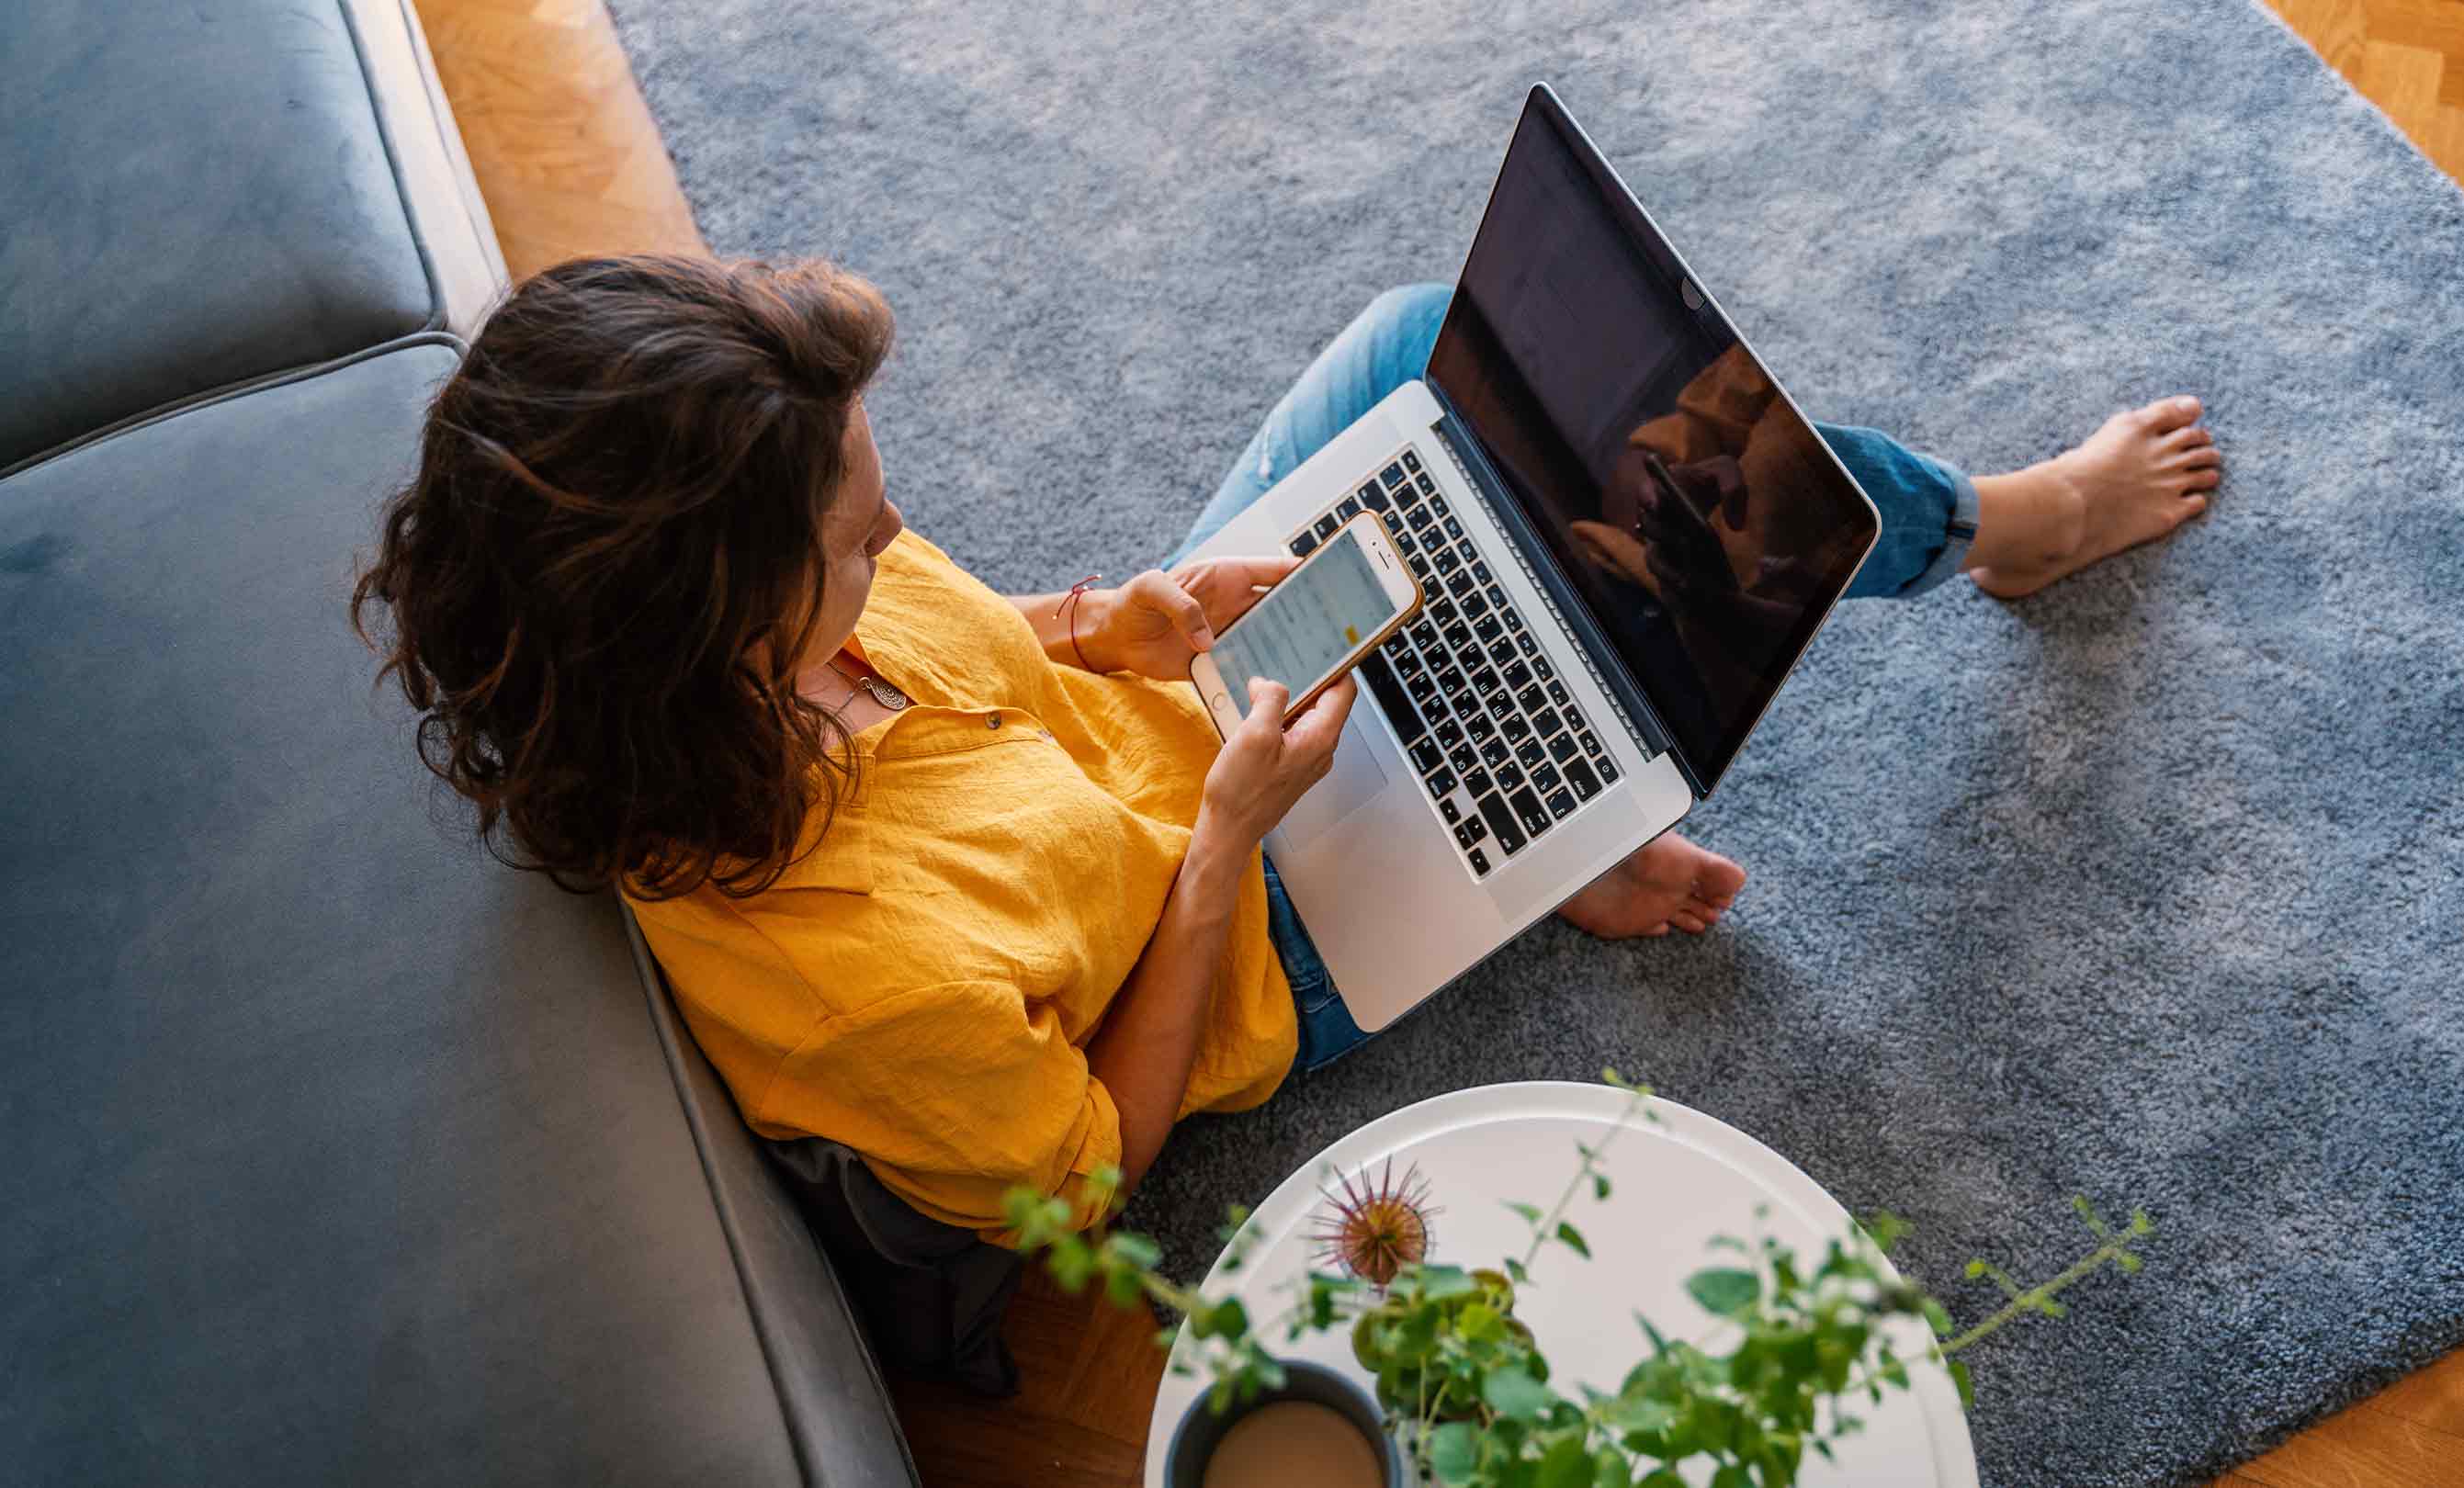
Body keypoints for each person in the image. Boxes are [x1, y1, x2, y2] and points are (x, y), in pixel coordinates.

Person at [353, 255, 2220, 1241]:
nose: (893, 534)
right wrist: (1231, 847)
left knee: (1443, 351)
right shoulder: (855, 983)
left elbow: (981, 636)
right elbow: (1091, 1167)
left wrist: (1120, 625)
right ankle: (2009, 525)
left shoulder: (762, 627)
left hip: (1190, 711)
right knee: (1621, 579)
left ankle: (1525, 798)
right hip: (1244, 931)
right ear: (714, 625)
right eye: (854, 539)